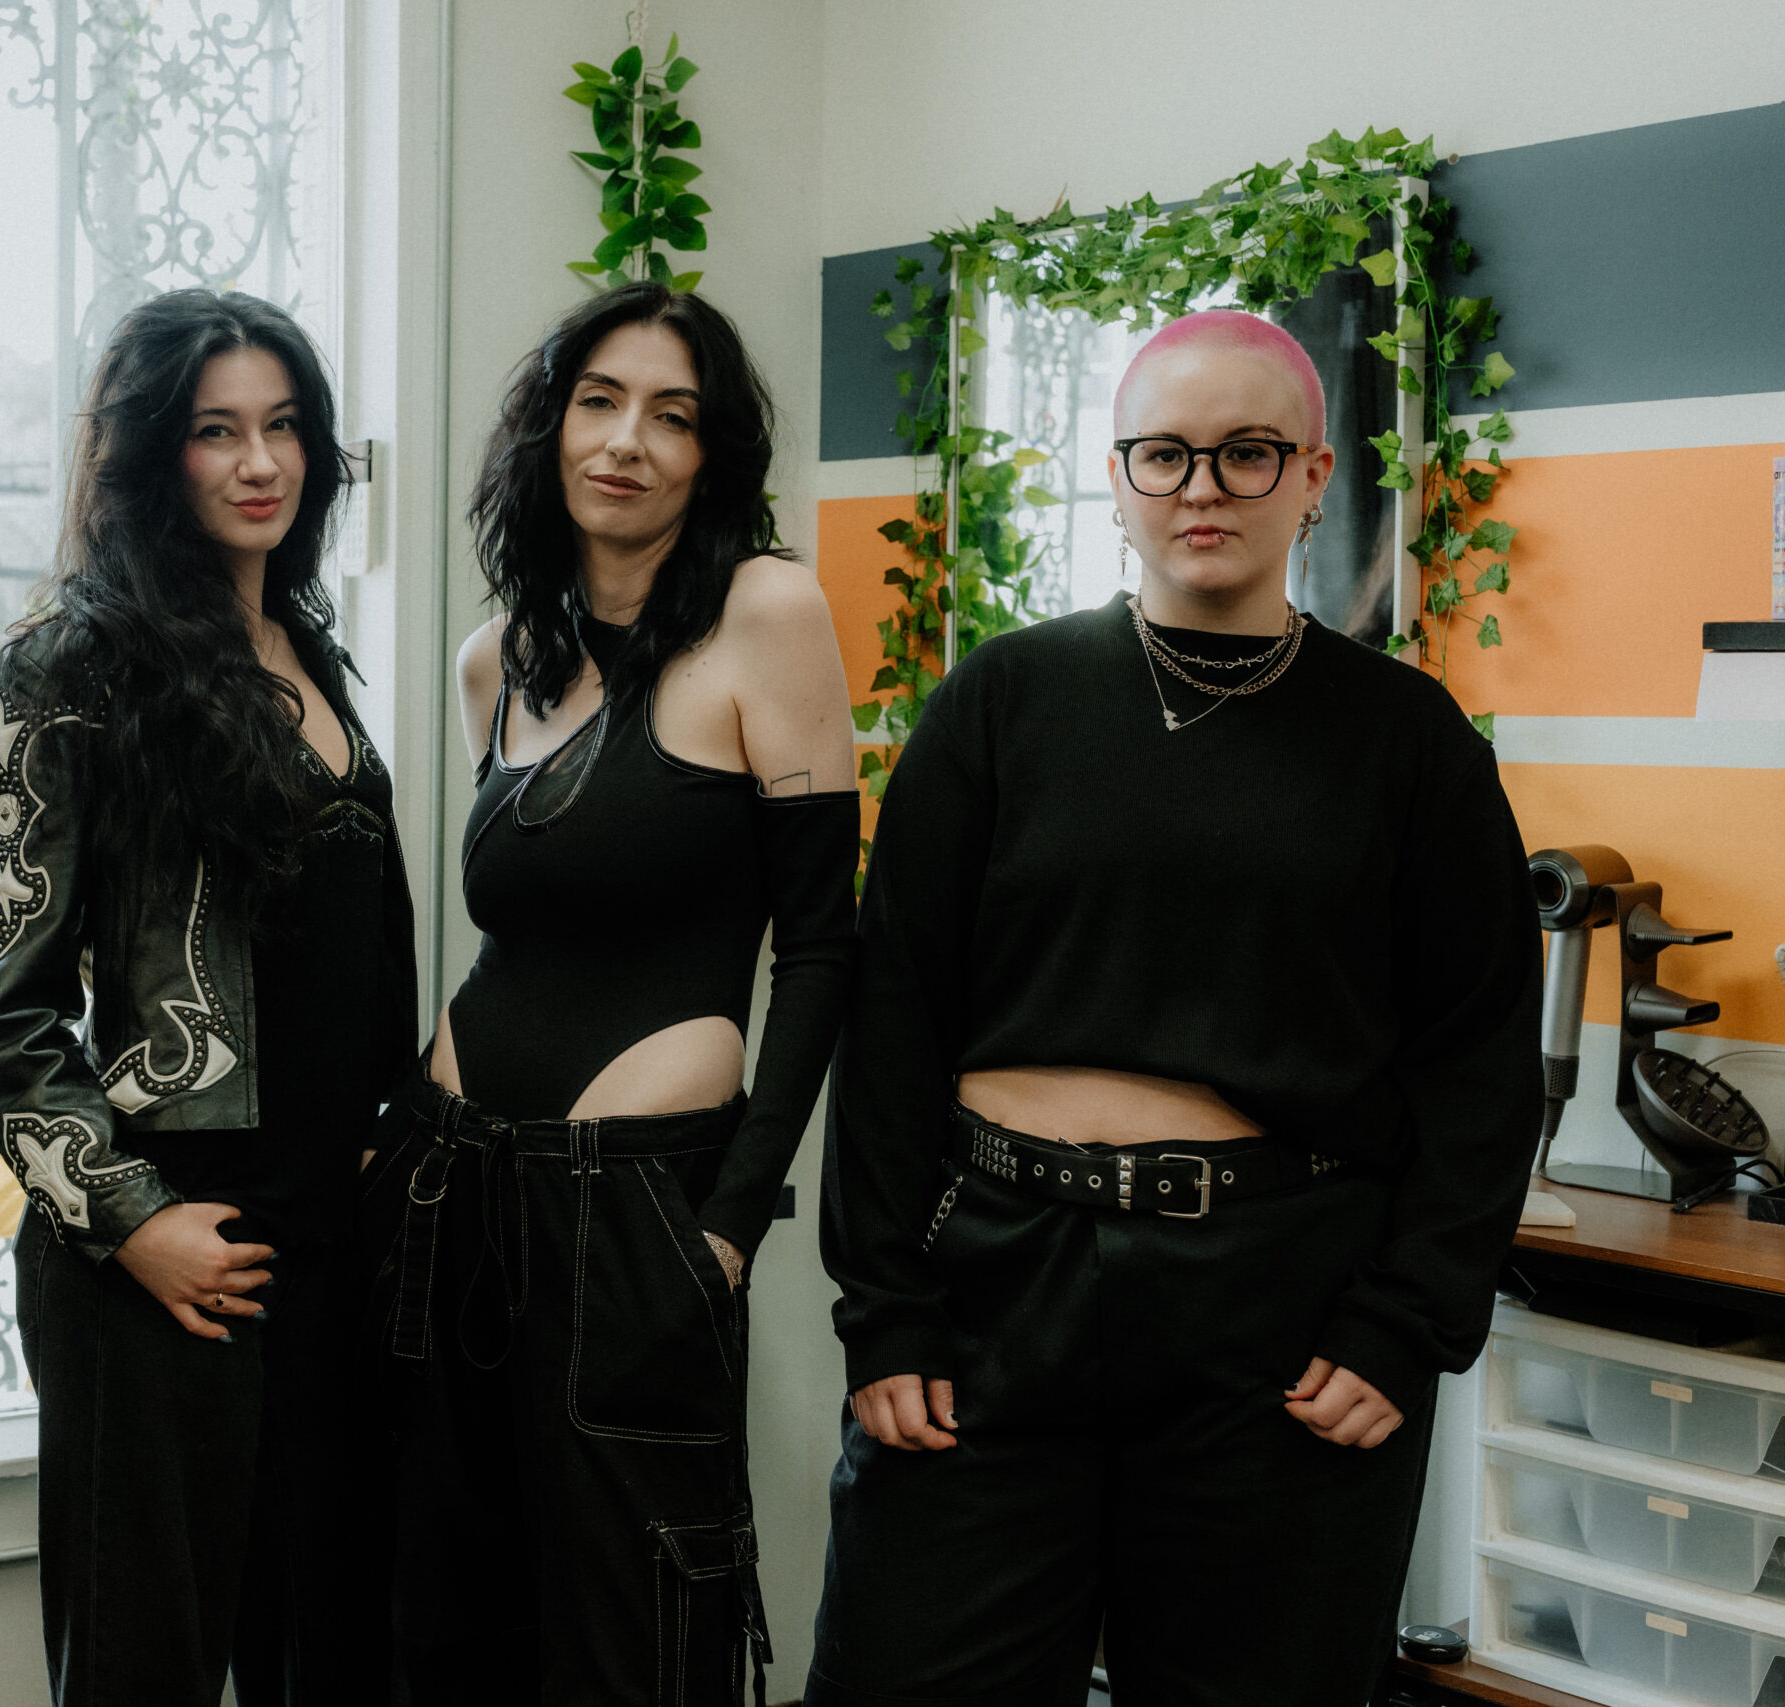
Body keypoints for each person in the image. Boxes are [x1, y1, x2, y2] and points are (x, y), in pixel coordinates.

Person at [807, 309, 1542, 1706]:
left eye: (1248, 453)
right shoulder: (1000, 703)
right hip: (995, 1292)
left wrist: (1409, 1318)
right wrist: (883, 1310)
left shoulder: (1408, 742)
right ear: (1120, 476)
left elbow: (1481, 1056)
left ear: (1317, 476)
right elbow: (893, 1011)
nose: (1202, 488)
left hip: (1278, 1313)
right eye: (1166, 455)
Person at [373, 280, 858, 1705]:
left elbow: (825, 947)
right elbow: (515, 937)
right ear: (551, 425)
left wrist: (727, 1230)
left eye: (673, 414)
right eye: (598, 400)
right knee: (449, 1632)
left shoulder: (765, 612)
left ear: (712, 456)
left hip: (634, 1207)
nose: (627, 440)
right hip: (448, 1192)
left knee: (631, 1642)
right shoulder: (498, 659)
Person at [0, 290, 419, 1707]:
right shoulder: (62, 668)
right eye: (217, 431)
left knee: (331, 1648)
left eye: (285, 427)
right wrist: (135, 1226)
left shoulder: (307, 644)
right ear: (152, 454)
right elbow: (12, 1025)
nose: (260, 461)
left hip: (328, 1249)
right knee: (142, 1668)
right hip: (168, 1247)